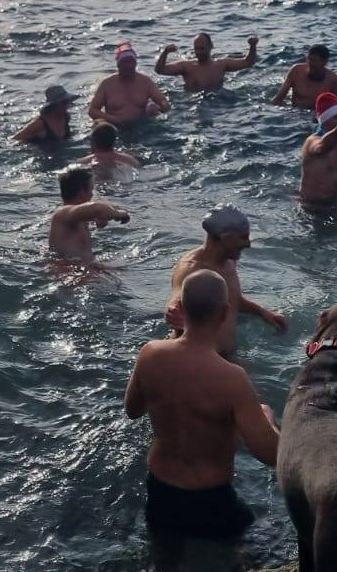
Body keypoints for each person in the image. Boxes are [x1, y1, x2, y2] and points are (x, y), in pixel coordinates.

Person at [125, 268, 280, 539]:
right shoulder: (232, 377)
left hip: (160, 488)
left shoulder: (150, 354)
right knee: (253, 550)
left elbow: (133, 410)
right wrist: (266, 417)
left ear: (182, 308)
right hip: (210, 497)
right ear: (223, 313)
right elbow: (270, 454)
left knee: (164, 562)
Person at [164, 206, 287, 359]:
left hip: (225, 355)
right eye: (243, 237)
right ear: (224, 237)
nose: (248, 244)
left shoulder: (229, 261)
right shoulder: (192, 268)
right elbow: (176, 304)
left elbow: (233, 298)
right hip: (197, 358)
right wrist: (173, 311)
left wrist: (264, 313)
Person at [48, 166, 131, 263]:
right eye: (91, 190)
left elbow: (98, 207)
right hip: (69, 269)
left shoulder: (76, 214)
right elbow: (97, 208)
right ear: (81, 192)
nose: (92, 195)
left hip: (79, 265)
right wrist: (118, 214)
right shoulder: (63, 213)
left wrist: (101, 216)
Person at [88, 44, 170, 126]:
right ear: (118, 64)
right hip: (116, 126)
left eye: (131, 62)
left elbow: (164, 103)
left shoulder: (145, 82)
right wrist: (112, 119)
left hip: (142, 127)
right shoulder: (107, 84)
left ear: (135, 63)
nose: (128, 66)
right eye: (125, 62)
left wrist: (157, 108)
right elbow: (93, 111)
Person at [153, 33, 259, 91]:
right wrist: (165, 52)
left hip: (218, 102)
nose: (199, 52)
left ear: (211, 47)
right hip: (192, 102)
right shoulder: (187, 66)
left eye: (202, 48)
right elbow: (160, 70)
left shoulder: (221, 64)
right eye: (197, 49)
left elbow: (248, 62)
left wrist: (253, 46)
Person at [272, 44, 337, 108]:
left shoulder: (333, 80)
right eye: (309, 59)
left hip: (315, 116)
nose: (310, 63)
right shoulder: (296, 71)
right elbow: (278, 99)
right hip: (294, 112)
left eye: (314, 60)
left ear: (324, 62)